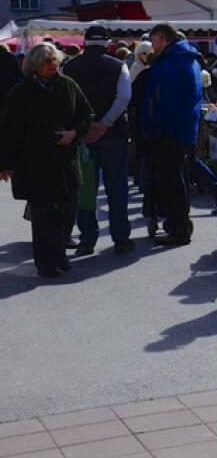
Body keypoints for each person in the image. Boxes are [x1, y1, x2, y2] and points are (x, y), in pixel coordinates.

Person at [0, 43, 93, 278]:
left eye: (54, 59)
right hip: (34, 164)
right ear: (34, 65)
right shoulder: (20, 93)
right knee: (42, 215)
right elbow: (9, 131)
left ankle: (59, 253)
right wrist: (4, 163)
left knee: (67, 209)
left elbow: (86, 115)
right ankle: (46, 262)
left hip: (66, 162)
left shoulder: (68, 85)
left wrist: (74, 133)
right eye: (46, 61)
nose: (52, 64)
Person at [62, 25, 133, 255]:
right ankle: (121, 238)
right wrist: (106, 122)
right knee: (116, 186)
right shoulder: (118, 65)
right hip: (114, 134)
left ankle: (87, 238)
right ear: (107, 42)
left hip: (81, 136)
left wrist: (84, 125)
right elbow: (124, 97)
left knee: (85, 189)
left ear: (85, 42)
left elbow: (65, 100)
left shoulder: (69, 67)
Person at [140, 23, 203, 246]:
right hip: (182, 128)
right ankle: (179, 226)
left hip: (169, 131)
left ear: (162, 37)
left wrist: (154, 128)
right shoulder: (185, 58)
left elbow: (164, 102)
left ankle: (178, 229)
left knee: (172, 181)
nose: (151, 45)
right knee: (177, 178)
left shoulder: (171, 62)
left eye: (153, 39)